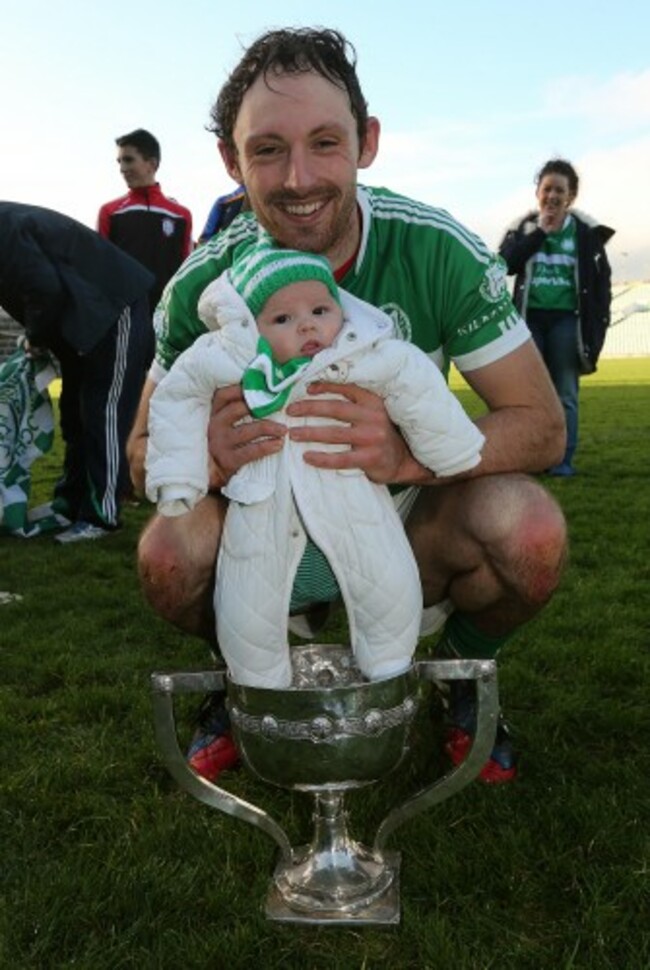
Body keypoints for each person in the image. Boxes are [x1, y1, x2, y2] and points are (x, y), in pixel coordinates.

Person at [127, 28, 568, 785]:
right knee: (168, 555)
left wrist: (407, 452)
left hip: (401, 522)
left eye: (324, 142)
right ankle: (244, 676)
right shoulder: (202, 282)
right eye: (267, 150)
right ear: (232, 162)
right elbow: (138, 451)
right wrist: (202, 454)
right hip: (258, 527)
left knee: (530, 533)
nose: (298, 177)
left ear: (365, 142)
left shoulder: (436, 249)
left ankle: (459, 677)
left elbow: (542, 423)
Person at [146, 242, 485, 690]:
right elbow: (177, 397)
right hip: (261, 510)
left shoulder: (359, 355)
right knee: (247, 609)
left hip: (356, 502)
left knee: (387, 586)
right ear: (253, 326)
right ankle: (258, 690)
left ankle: (387, 675)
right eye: (282, 319)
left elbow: (413, 378)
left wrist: (450, 451)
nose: (307, 324)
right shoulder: (227, 359)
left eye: (320, 310)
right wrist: (179, 474)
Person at [0, 201, 154, 542]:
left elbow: (43, 287)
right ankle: (69, 502)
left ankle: (102, 516)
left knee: (104, 414)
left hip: (114, 309)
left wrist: (37, 337)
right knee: (74, 411)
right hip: (82, 321)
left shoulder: (5, 227)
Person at [498, 159, 615, 477]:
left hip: (567, 322)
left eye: (559, 190)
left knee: (564, 392)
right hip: (529, 320)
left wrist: (598, 324)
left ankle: (562, 460)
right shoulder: (523, 227)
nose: (552, 196)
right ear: (537, 191)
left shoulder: (586, 234)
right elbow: (504, 264)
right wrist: (539, 234)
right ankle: (530, 458)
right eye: (546, 188)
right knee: (528, 393)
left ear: (571, 197)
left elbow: (601, 283)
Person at [97, 128, 193, 333]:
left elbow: (187, 270)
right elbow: (101, 269)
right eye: (119, 162)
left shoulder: (181, 215)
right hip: (124, 318)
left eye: (128, 160)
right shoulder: (110, 212)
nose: (122, 168)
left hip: (168, 318)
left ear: (152, 164)